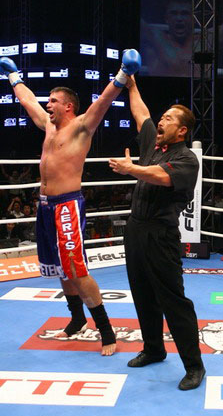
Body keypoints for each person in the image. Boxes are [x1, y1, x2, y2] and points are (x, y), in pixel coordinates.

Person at [0, 50, 140, 355]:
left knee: (76, 269)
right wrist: (13, 77)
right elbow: (27, 101)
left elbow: (102, 103)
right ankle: (77, 318)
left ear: (69, 106)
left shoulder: (81, 127)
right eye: (47, 101)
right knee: (57, 268)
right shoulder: (49, 127)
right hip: (45, 205)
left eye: (52, 101)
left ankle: (106, 331)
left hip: (67, 205)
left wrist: (122, 74)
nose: (47, 105)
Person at [109, 75, 205, 390]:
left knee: (173, 301)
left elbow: (160, 176)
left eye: (169, 119)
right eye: (162, 117)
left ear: (182, 130)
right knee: (142, 293)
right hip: (135, 230)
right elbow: (141, 114)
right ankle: (153, 348)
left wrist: (131, 169)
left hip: (161, 234)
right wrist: (131, 84)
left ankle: (194, 366)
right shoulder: (154, 142)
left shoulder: (187, 159)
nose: (161, 121)